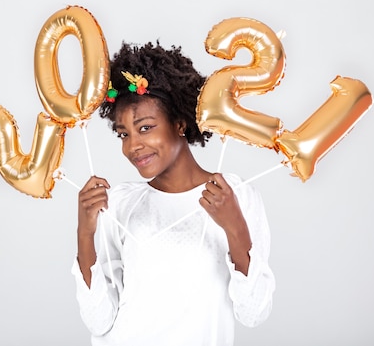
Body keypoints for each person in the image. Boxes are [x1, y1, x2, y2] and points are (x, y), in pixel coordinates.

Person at [72, 42, 275, 346]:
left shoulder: (235, 196)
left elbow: (254, 313)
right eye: (123, 134)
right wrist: (85, 233)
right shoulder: (122, 203)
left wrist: (234, 226)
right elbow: (99, 320)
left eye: (145, 128)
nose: (132, 146)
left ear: (180, 123)